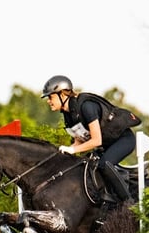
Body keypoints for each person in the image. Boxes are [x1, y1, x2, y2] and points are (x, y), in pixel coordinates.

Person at [41, 74, 136, 202]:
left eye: (50, 96)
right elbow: (79, 140)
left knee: (104, 165)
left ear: (62, 94)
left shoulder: (86, 107)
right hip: (107, 144)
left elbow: (96, 140)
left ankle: (129, 204)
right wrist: (66, 151)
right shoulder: (68, 114)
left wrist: (73, 150)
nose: (48, 100)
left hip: (124, 139)